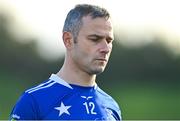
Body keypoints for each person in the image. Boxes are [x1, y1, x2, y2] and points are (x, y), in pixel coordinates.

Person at [10, 4, 122, 120]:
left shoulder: (111, 105)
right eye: (95, 39)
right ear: (68, 40)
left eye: (109, 41)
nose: (105, 48)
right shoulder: (33, 101)